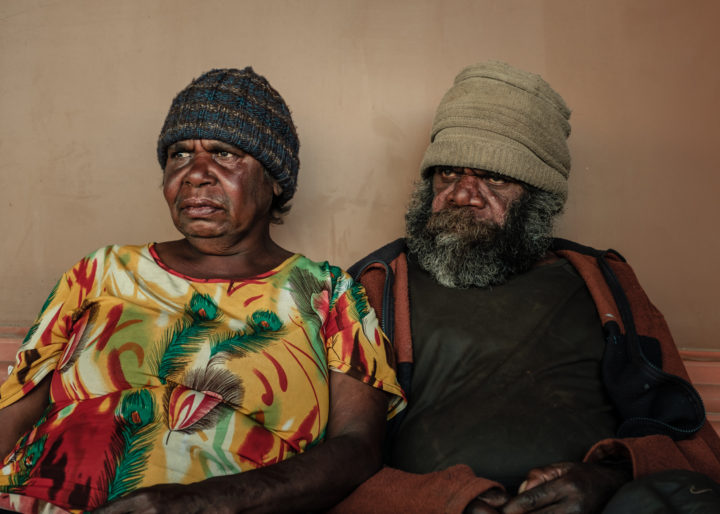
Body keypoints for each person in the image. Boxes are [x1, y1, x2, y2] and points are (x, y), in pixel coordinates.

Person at [0, 68, 404, 514]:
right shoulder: (100, 272)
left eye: (224, 153)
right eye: (179, 155)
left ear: (274, 179)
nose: (195, 174)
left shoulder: (331, 296)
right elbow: (14, 413)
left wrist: (202, 502)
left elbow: (359, 450)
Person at [333, 61, 720, 513]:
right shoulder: (373, 285)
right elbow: (334, 464)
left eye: (494, 177)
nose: (462, 194)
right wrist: (446, 500)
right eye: (447, 173)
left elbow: (691, 445)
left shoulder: (604, 281)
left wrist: (609, 477)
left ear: (540, 195)